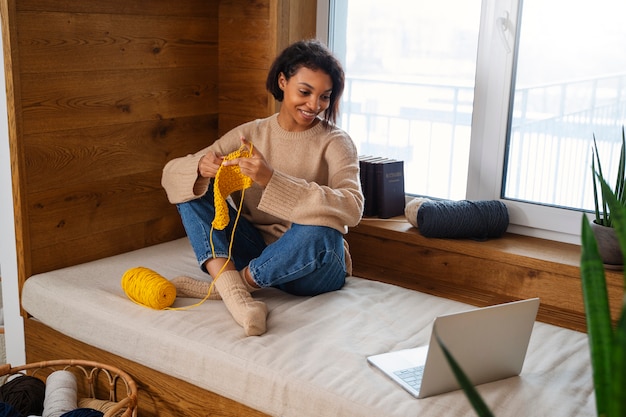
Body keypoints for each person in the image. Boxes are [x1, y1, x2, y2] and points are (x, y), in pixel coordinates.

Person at [161, 39, 364, 336]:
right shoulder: (251, 134)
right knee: (190, 188)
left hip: (314, 267)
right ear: (282, 81)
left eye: (325, 97)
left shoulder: (336, 142)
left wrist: (272, 179)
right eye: (305, 92)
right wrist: (200, 167)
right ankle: (241, 297)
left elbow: (352, 206)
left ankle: (230, 289)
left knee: (322, 229)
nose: (314, 106)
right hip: (255, 250)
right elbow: (169, 175)